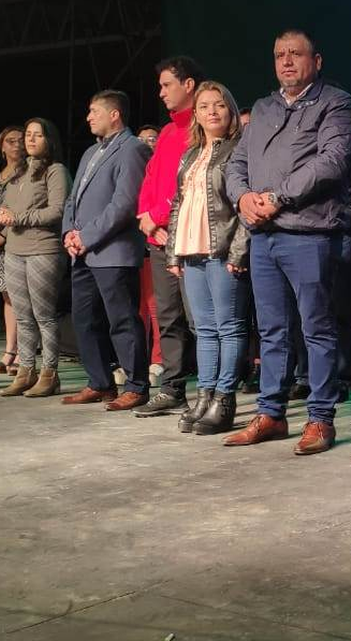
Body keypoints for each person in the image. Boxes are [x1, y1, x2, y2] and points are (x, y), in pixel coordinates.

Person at [224, 28, 351, 455]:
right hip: (263, 236)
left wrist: (276, 198)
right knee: (272, 332)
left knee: (317, 329)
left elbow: (333, 162)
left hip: (309, 234)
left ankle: (320, 419)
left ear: (315, 61)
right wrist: (243, 196)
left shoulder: (336, 103)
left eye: (295, 54)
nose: (286, 61)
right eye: (279, 54)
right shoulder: (262, 108)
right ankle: (272, 414)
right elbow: (237, 163)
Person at [165, 81, 250, 435]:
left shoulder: (239, 150)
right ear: (196, 115)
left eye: (219, 105)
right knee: (203, 330)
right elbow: (178, 205)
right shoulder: (190, 155)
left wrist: (238, 250)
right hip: (191, 251)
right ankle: (206, 395)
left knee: (228, 327)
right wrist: (173, 251)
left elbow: (245, 207)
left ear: (230, 111)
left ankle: (225, 399)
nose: (212, 111)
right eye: (204, 106)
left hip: (222, 250)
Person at [61, 90, 153, 410]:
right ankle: (100, 383)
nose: (88, 117)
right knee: (85, 319)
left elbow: (124, 204)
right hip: (83, 252)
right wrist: (69, 233)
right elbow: (72, 199)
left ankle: (137, 385)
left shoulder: (133, 149)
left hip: (113, 250)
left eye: (94, 111)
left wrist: (86, 236)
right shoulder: (89, 153)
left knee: (122, 320)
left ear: (115, 115)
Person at [133, 56, 206, 418]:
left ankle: (211, 391)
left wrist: (158, 216)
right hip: (158, 238)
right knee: (168, 317)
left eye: (167, 85)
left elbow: (188, 185)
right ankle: (172, 388)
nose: (160, 93)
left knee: (199, 320)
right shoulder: (165, 132)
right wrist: (145, 217)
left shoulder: (202, 128)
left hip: (190, 239)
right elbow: (150, 178)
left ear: (188, 85)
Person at [287, 127, 351, 401]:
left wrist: (341, 221)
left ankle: (337, 377)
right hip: (305, 232)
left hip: (343, 233)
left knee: (338, 306)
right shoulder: (304, 137)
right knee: (304, 306)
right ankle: (306, 375)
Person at [0, 118, 70, 397]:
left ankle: (49, 373)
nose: (30, 139)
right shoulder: (19, 172)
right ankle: (26, 371)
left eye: (37, 135)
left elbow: (58, 211)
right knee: (23, 316)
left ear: (49, 139)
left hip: (43, 250)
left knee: (44, 316)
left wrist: (18, 217)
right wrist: (3, 215)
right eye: (28, 134)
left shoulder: (56, 170)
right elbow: (7, 205)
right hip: (14, 250)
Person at [0, 126, 26, 376]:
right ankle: (9, 349)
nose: (17, 145)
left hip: (14, 239)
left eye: (20, 141)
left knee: (21, 298)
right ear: (2, 146)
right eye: (10, 141)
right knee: (7, 297)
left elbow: (23, 207)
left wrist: (3, 235)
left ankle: (24, 352)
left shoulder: (27, 171)